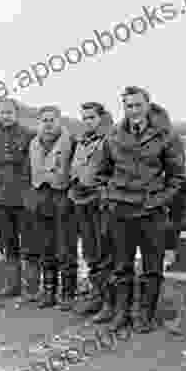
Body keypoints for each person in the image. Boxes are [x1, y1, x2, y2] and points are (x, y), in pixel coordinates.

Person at [98, 87, 186, 333]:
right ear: (123, 108)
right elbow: (101, 173)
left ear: (148, 105)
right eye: (129, 106)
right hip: (121, 211)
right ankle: (121, 313)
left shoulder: (166, 136)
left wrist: (158, 200)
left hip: (151, 213)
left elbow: (178, 177)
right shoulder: (113, 135)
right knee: (121, 266)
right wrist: (109, 196)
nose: (134, 111)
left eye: (138, 105)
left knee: (151, 269)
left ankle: (144, 316)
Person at [26, 106, 77, 308]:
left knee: (66, 246)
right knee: (46, 245)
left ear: (59, 121)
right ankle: (49, 291)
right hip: (42, 196)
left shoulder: (70, 142)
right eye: (44, 120)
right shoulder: (33, 144)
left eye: (52, 120)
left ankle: (68, 293)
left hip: (63, 196)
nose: (48, 124)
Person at [68, 102, 115, 321]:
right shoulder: (81, 140)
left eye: (92, 118)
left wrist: (103, 190)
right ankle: (96, 295)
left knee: (104, 250)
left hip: (101, 202)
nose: (87, 121)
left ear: (102, 118)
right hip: (81, 200)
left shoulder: (111, 140)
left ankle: (109, 302)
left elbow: (116, 171)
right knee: (90, 250)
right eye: (84, 118)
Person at [0, 98, 35, 297]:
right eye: (2, 112)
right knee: (7, 240)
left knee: (29, 240)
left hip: (22, 195)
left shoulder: (28, 134)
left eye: (9, 112)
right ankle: (12, 284)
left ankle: (31, 286)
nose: (6, 116)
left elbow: (32, 164)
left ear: (16, 114)